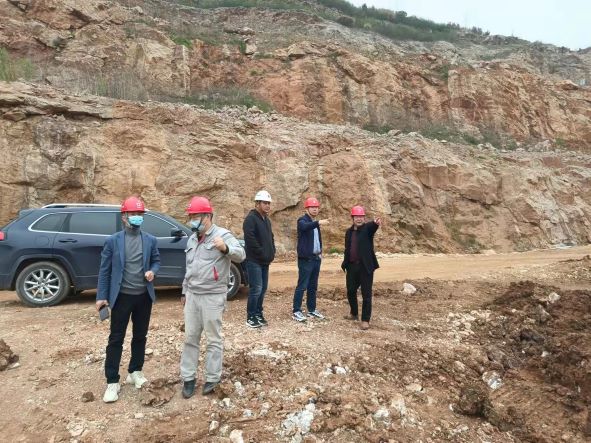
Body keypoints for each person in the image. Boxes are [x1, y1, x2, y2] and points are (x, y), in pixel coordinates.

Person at [96, 196, 161, 403]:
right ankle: (112, 381)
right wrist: (101, 296)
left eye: (140, 214)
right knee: (116, 338)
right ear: (124, 217)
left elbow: (156, 261)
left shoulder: (150, 240)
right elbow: (104, 271)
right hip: (121, 297)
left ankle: (135, 371)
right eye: (133, 214)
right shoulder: (113, 241)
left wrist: (152, 271)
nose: (137, 217)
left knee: (140, 336)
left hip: (143, 297)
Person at [180, 196, 245, 398]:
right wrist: (184, 291)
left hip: (213, 296)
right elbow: (189, 268)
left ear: (207, 216)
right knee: (190, 338)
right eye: (191, 217)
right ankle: (188, 378)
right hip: (193, 295)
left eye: (196, 217)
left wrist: (225, 248)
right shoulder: (192, 239)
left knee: (213, 339)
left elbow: (241, 254)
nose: (192, 221)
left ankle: (212, 377)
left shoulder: (222, 235)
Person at [341, 205, 381, 330]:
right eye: (356, 216)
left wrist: (375, 223)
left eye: (361, 216)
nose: (359, 219)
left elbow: (372, 226)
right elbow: (347, 248)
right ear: (352, 218)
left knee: (366, 294)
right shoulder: (348, 232)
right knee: (351, 291)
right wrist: (345, 263)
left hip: (365, 267)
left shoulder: (367, 229)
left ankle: (365, 320)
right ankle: (354, 313)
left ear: (364, 218)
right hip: (352, 266)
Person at [292, 197, 329, 322]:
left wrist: (320, 253)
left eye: (316, 207)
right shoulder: (302, 221)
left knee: (313, 286)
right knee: (302, 285)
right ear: (306, 209)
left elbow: (317, 240)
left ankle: (312, 309)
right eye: (312, 207)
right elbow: (304, 227)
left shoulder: (314, 223)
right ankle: (296, 311)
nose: (315, 209)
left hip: (316, 258)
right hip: (306, 259)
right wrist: (318, 222)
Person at [243, 190, 275, 328]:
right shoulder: (250, 219)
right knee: (256, 288)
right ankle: (250, 316)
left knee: (263, 289)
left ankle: (258, 313)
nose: (267, 205)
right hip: (254, 260)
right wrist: (262, 252)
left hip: (264, 261)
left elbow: (271, 237)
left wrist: (272, 251)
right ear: (257, 203)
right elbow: (250, 239)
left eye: (268, 203)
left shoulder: (266, 220)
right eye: (264, 203)